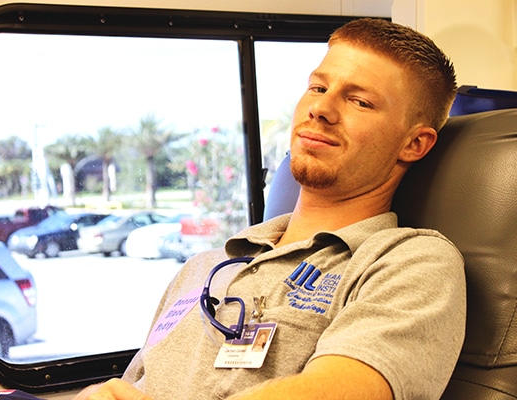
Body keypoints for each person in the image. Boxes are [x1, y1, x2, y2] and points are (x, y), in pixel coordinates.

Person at [75, 17, 465, 400]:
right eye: (317, 87)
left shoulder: (411, 263)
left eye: (360, 101)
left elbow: (345, 389)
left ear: (415, 144)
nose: (321, 109)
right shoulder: (202, 268)